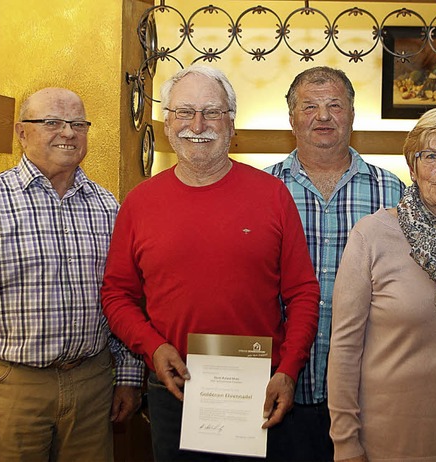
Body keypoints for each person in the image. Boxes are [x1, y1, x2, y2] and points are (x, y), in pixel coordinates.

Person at [101, 64, 320, 461]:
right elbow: (117, 295)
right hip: (173, 388)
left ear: (231, 124)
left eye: (212, 112)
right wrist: (153, 348)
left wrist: (289, 370)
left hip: (261, 391)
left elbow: (303, 292)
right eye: (184, 112)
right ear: (167, 122)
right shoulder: (139, 202)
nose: (197, 124)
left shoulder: (272, 196)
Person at [327, 106, 436, 461]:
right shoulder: (371, 236)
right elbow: (345, 350)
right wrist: (345, 443)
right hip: (383, 441)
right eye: (431, 156)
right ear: (412, 166)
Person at [0, 87, 143, 461]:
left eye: (78, 123)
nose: (68, 133)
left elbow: (125, 296)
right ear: (22, 133)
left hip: (93, 385)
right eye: (52, 122)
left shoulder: (108, 206)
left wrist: (129, 376)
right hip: (10, 389)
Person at [265, 66, 404, 462]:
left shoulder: (391, 190)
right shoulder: (263, 189)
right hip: (279, 388)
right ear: (291, 118)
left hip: (367, 392)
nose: (323, 116)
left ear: (353, 115)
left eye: (334, 106)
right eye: (309, 106)